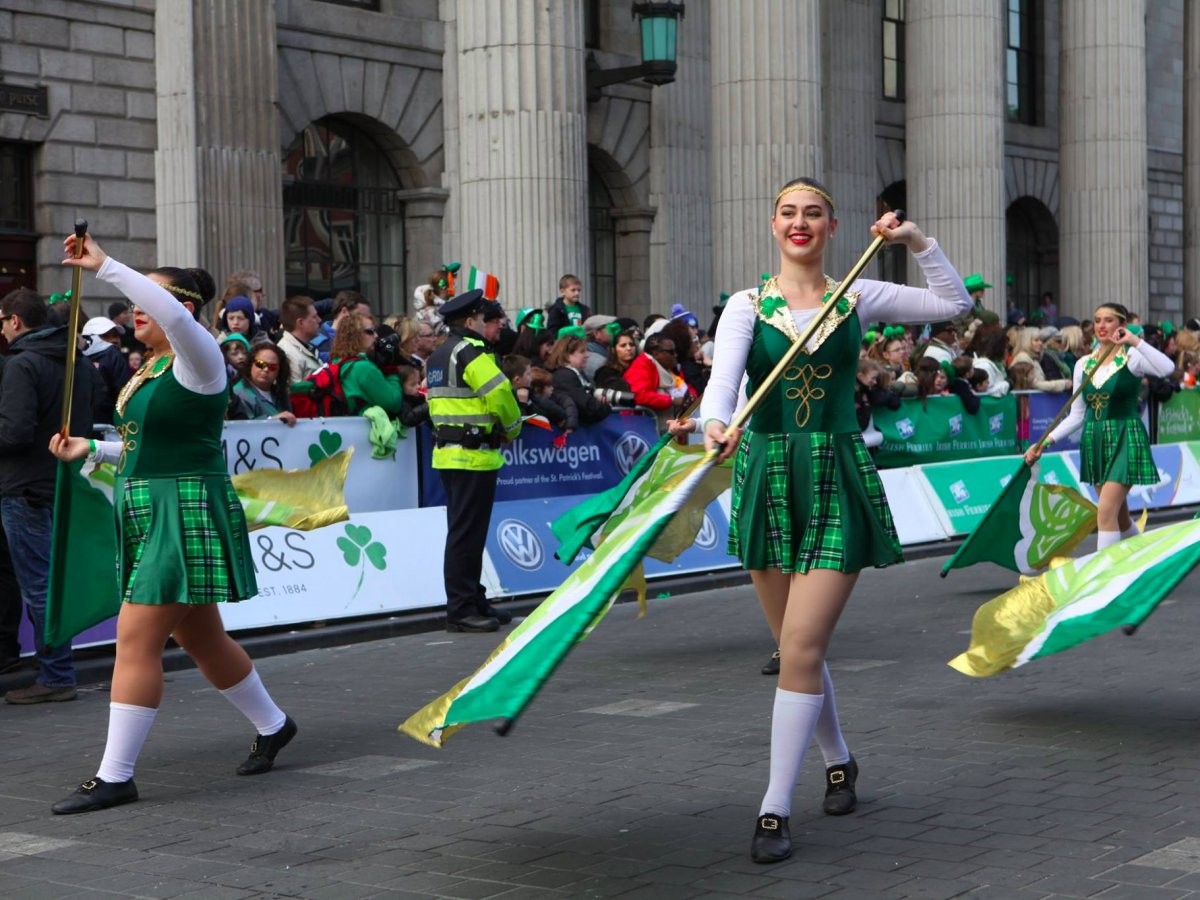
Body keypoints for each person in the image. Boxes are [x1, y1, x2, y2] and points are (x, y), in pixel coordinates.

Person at [699, 177, 971, 864]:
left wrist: (915, 242)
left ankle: (773, 807)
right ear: (773, 225)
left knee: (801, 647)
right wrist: (713, 424)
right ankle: (840, 761)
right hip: (766, 473)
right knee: (796, 649)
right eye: (788, 212)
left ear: (832, 226)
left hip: (835, 474)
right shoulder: (744, 305)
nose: (800, 222)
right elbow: (721, 388)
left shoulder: (857, 294)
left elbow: (953, 301)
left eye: (812, 213)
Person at [47, 233, 297, 814]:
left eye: (151, 300)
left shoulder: (200, 357)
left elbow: (167, 314)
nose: (137, 308)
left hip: (183, 508)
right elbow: (143, 446)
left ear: (180, 309)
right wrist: (92, 449)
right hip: (151, 503)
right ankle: (275, 724)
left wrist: (106, 265)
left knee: (135, 639)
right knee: (201, 636)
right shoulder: (152, 366)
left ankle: (116, 775)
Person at [0, 288, 98, 704]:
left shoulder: (23, 364)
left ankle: (57, 675)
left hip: (25, 488)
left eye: (2, 319)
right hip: (61, 482)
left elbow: (14, 432)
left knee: (39, 587)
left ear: (16, 322)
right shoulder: (77, 363)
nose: (2, 327)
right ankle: (57, 671)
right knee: (51, 583)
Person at [1026, 302, 1174, 550]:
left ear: (1122, 325)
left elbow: (1167, 368)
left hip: (1125, 436)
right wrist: (1045, 441)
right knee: (1118, 515)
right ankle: (1143, 556)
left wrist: (1135, 341)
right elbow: (1076, 416)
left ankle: (1105, 579)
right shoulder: (1083, 364)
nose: (1101, 326)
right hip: (1094, 440)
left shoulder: (1132, 357)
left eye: (1109, 320)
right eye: (1097, 320)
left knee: (1105, 512)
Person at [426, 290, 522, 633]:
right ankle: (462, 609)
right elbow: (500, 394)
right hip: (472, 455)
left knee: (466, 533)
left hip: (451, 454)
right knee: (466, 535)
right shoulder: (471, 351)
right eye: (484, 319)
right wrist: (513, 427)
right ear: (470, 321)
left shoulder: (439, 354)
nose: (487, 325)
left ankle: (473, 599)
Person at [330, 313, 405, 417]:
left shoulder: (337, 362)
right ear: (354, 335)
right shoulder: (363, 368)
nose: (376, 335)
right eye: (370, 331)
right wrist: (391, 371)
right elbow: (393, 403)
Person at [232, 340, 297, 425]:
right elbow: (240, 428)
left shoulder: (281, 393)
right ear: (250, 364)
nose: (266, 370)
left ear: (279, 371)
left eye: (272, 367)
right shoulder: (238, 394)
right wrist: (271, 420)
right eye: (260, 364)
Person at [1009, 326, 1071, 392]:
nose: (1040, 343)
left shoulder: (1033, 358)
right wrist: (1063, 384)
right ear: (1026, 342)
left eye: (1041, 340)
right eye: (1036, 340)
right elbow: (1033, 384)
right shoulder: (1023, 358)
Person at [276, 295, 322, 381]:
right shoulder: (288, 355)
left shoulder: (306, 346)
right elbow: (292, 392)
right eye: (314, 317)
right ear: (301, 322)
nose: (319, 320)